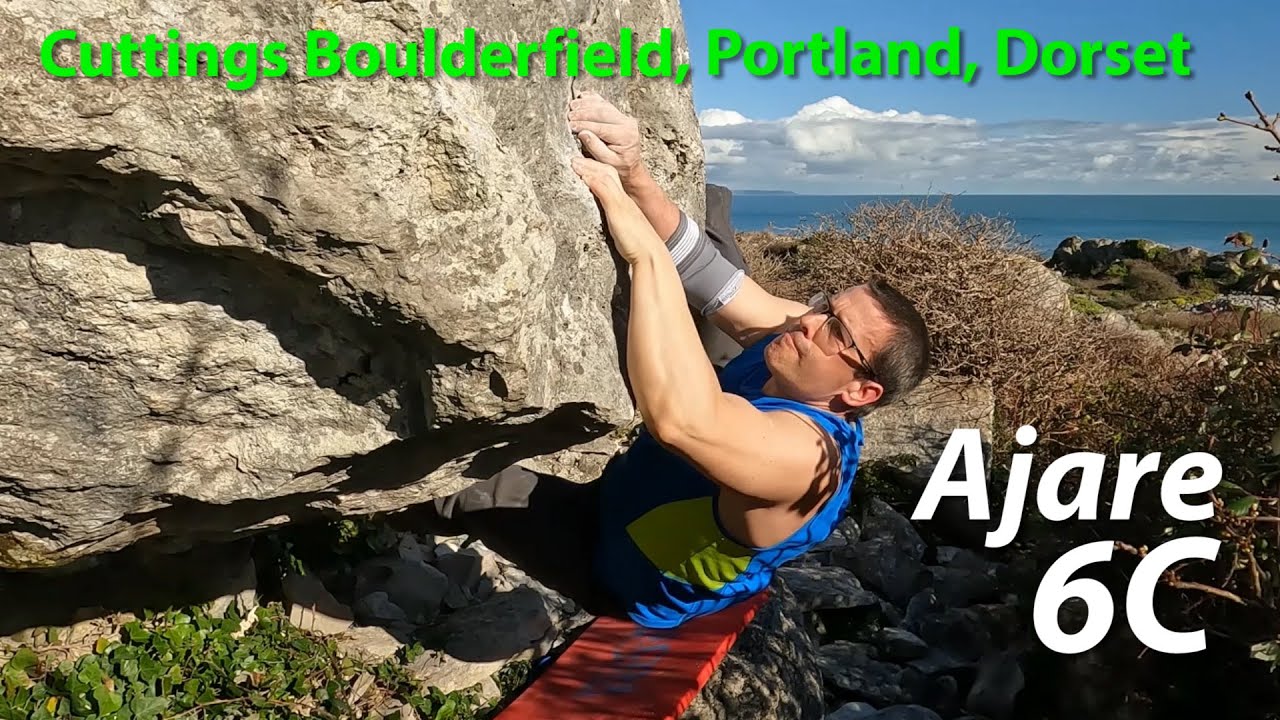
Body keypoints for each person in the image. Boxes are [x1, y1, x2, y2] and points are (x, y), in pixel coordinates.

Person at [385, 92, 931, 630]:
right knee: (720, 284)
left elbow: (681, 421)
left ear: (862, 393)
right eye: (825, 305)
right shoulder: (804, 346)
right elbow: (713, 278)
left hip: (617, 571)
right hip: (631, 493)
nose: (809, 321)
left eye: (835, 329)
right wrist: (635, 174)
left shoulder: (806, 460)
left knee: (448, 479)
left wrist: (644, 254)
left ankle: (344, 522)